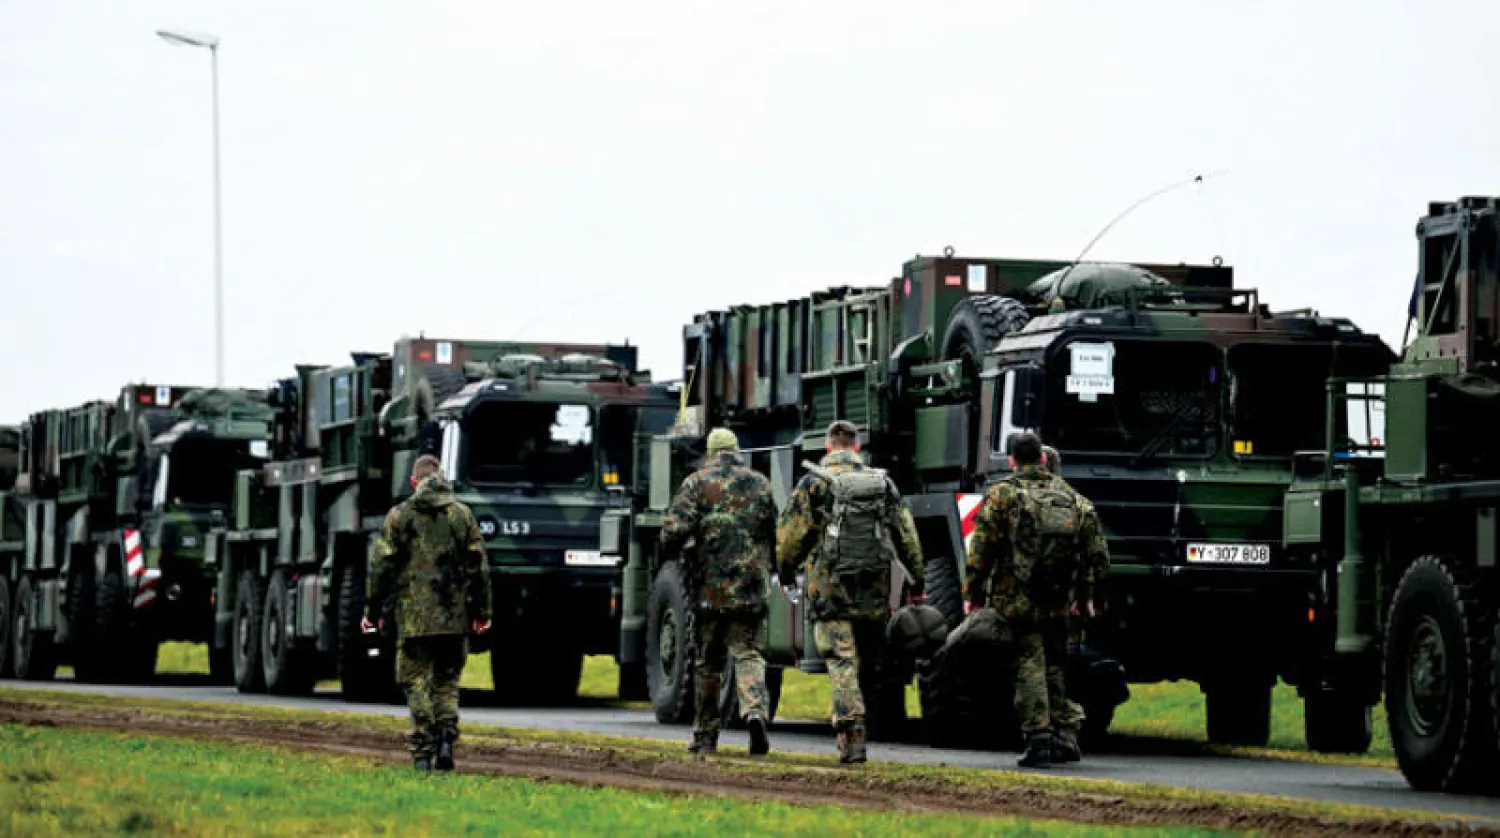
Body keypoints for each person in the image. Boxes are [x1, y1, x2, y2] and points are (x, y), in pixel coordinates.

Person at [777, 419, 925, 764]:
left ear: (829, 447)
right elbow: (906, 535)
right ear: (857, 447)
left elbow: (790, 539)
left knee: (842, 660)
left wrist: (786, 573)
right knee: (870, 662)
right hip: (873, 589)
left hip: (829, 590)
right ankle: (877, 721)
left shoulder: (812, 482)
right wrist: (917, 579)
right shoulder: (881, 483)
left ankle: (852, 732)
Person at [963, 433, 1108, 768]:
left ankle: (1038, 737)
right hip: (1060, 597)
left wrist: (973, 593)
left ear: (1012, 460)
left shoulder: (1003, 495)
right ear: (1042, 460)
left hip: (1017, 596)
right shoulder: (1071, 496)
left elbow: (981, 550)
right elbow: (1097, 554)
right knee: (1056, 662)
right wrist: (1089, 596)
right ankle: (1066, 734)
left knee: (1029, 661)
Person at [364, 454, 492, 773]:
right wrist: (482, 610)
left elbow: (381, 565)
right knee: (446, 683)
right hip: (454, 617)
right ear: (442, 477)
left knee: (415, 680)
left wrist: (372, 610)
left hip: (413, 619)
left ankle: (423, 750)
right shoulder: (462, 515)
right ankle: (446, 738)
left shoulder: (400, 516)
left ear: (413, 482)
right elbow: (479, 567)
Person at [659, 427, 778, 757]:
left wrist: (679, 548)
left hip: (710, 590)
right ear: (736, 450)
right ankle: (755, 713)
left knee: (709, 662)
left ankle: (706, 735)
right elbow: (774, 532)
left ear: (711, 452)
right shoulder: (760, 483)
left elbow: (672, 531)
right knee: (749, 654)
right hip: (752, 588)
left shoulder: (696, 483)